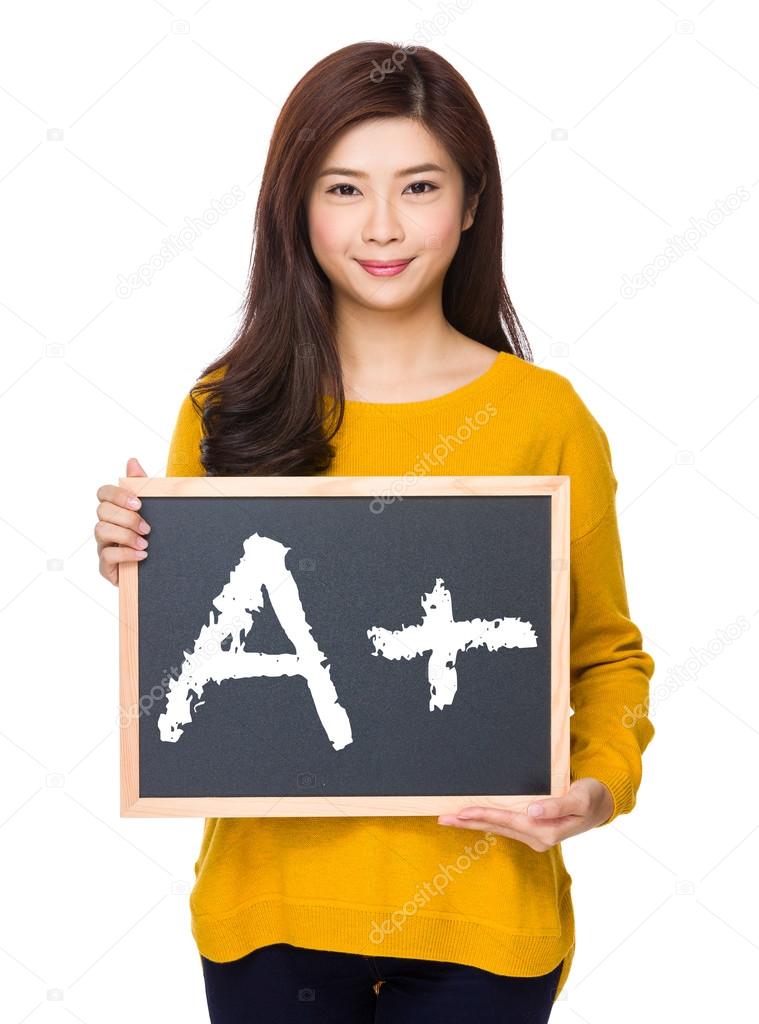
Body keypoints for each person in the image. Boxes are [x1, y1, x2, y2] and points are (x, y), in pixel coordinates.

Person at [94, 40, 655, 1024]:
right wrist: (144, 568)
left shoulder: (545, 418)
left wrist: (598, 787)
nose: (384, 226)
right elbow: (206, 678)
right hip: (271, 919)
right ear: (296, 208)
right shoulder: (227, 407)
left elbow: (605, 653)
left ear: (473, 204)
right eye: (345, 188)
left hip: (483, 924)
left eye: (421, 186)